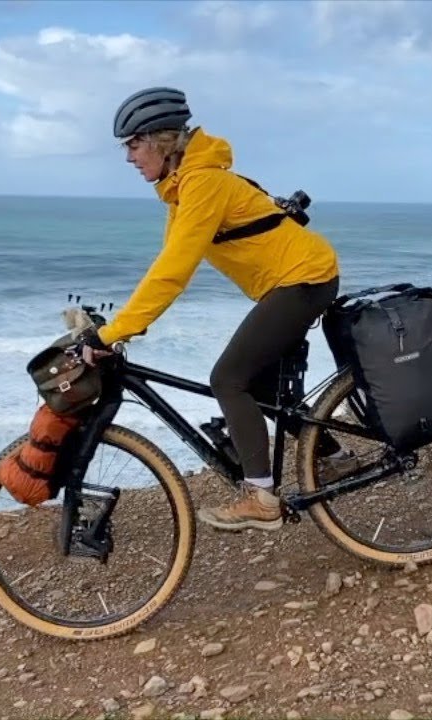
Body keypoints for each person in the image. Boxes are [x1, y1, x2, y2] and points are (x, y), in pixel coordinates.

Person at [77, 87, 355, 532]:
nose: (129, 157)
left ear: (160, 142)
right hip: (295, 278)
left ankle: (261, 498)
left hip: (303, 279)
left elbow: (174, 271)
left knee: (228, 379)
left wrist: (116, 332)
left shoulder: (201, 183)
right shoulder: (185, 187)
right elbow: (166, 263)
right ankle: (335, 457)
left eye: (132, 144)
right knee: (261, 388)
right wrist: (121, 323)